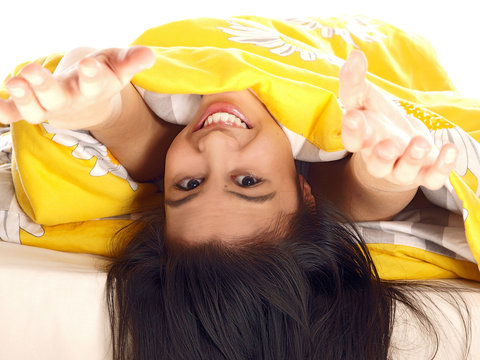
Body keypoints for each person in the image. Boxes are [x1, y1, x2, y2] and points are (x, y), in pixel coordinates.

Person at [1, 15, 479, 359]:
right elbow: (359, 200)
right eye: (248, 182)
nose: (214, 147)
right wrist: (386, 169)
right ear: (305, 195)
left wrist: (91, 109)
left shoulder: (167, 153)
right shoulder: (330, 178)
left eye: (187, 184)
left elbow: (140, 142)